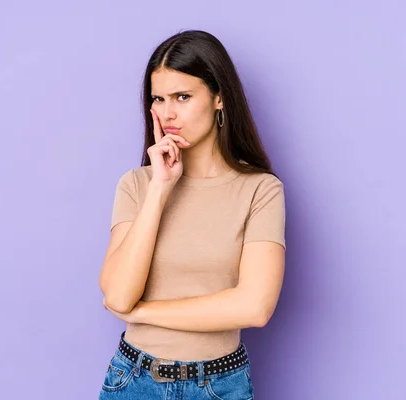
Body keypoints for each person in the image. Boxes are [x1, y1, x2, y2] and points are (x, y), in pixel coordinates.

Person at [98, 29, 286, 399]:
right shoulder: (137, 185)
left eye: (183, 97)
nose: (168, 113)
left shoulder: (260, 190)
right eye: (158, 99)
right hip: (133, 381)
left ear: (218, 98)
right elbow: (118, 296)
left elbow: (255, 306)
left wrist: (144, 313)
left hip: (219, 386)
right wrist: (160, 188)